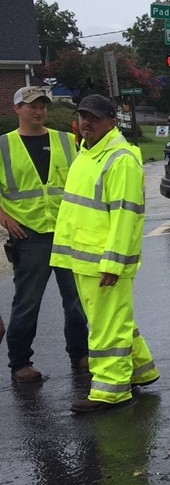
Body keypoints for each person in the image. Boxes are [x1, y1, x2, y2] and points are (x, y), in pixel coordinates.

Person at [50, 94, 158, 413]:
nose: (86, 123)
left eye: (94, 118)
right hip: (85, 258)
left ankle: (110, 391)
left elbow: (127, 216)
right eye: (83, 116)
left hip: (103, 262)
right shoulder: (88, 153)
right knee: (113, 319)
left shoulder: (120, 158)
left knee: (106, 326)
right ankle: (141, 369)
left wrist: (114, 262)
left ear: (112, 122)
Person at [2, 86, 89, 383]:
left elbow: (84, 181)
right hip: (30, 236)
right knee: (27, 302)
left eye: (42, 106)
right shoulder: (3, 146)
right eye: (31, 106)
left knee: (76, 299)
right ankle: (20, 364)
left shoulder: (66, 141)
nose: (38, 111)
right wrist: (4, 217)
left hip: (66, 232)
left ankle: (80, 355)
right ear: (17, 109)